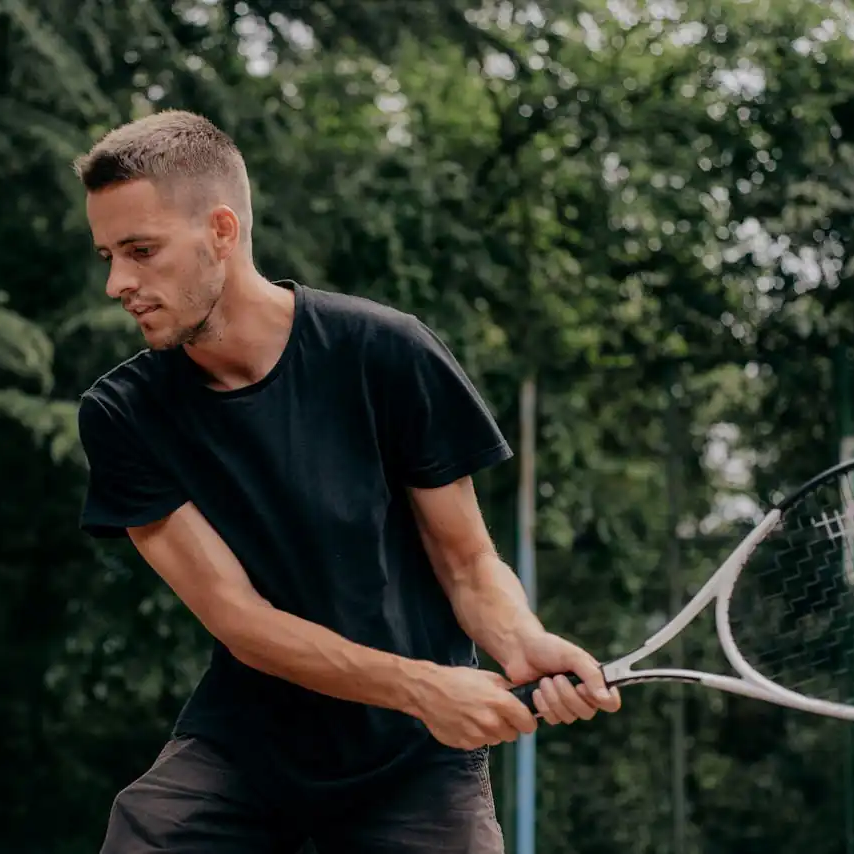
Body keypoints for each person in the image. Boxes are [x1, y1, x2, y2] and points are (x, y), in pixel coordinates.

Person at [72, 109, 621, 854]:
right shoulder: (121, 414)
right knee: (146, 830)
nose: (118, 282)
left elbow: (464, 562)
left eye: (141, 250)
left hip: (416, 765)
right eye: (108, 254)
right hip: (244, 753)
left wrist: (521, 642)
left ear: (222, 232)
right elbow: (240, 619)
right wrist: (424, 687)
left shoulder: (385, 352)